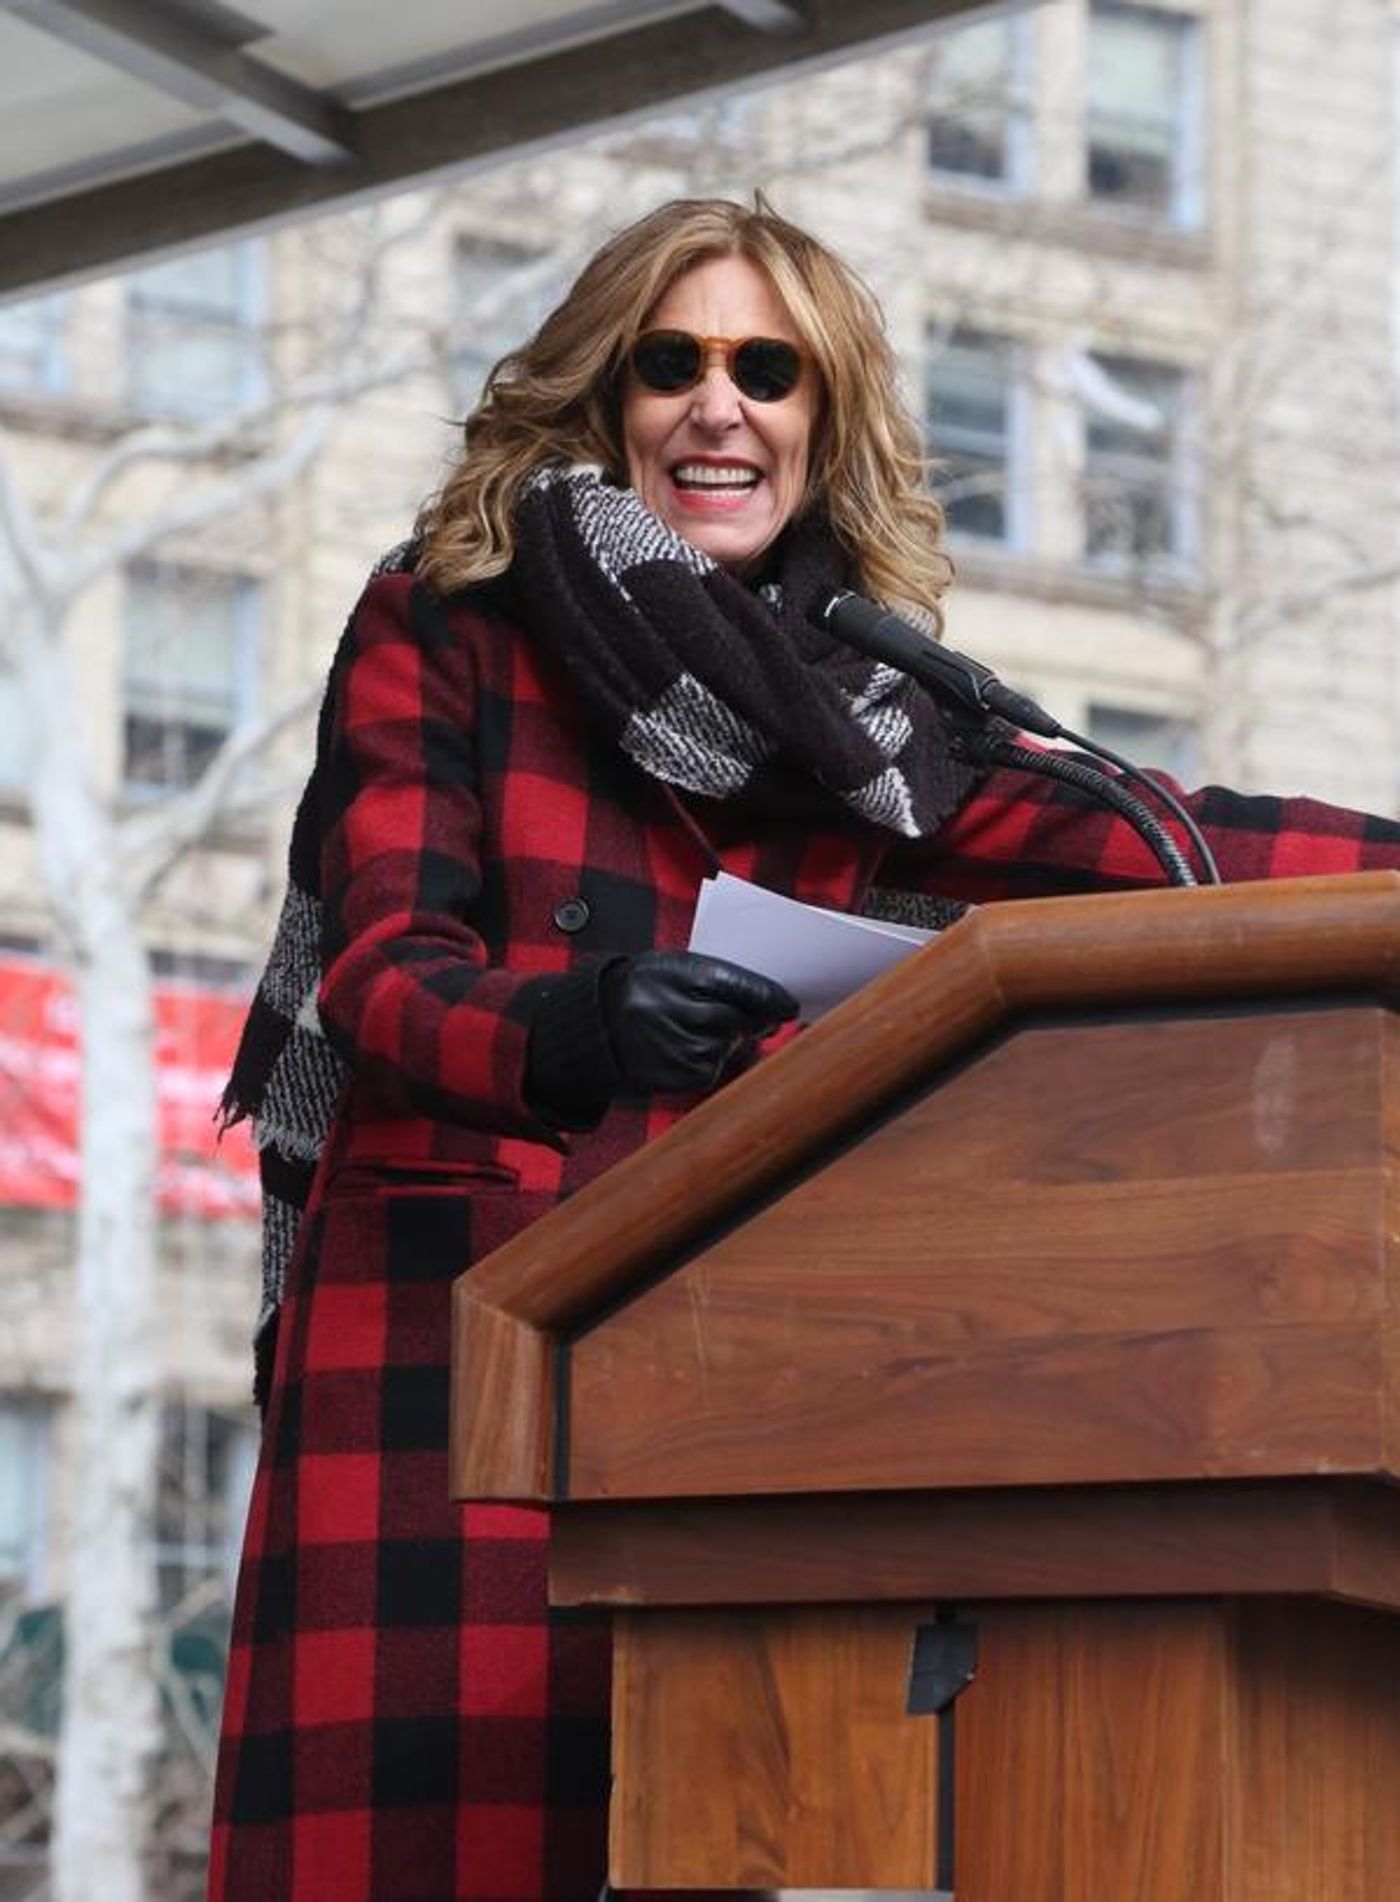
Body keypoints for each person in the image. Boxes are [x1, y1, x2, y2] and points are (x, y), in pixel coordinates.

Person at [209, 195, 1400, 1902]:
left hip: (713, 1379)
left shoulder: (865, 710)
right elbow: (382, 974)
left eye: (767, 370)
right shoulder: (450, 615)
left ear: (820, 421)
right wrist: (579, 1017)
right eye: (672, 362)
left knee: (681, 1834)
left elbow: (1156, 828)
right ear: (605, 397)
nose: (721, 404)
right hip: (446, 1339)